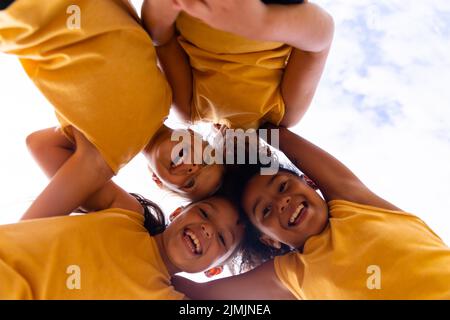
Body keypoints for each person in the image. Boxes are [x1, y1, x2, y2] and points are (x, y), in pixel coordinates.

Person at [0, 0, 223, 221]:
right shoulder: (168, 96)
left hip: (28, 15)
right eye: (205, 159)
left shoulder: (104, 159)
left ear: (157, 179)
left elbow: (38, 144)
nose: (193, 168)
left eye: (190, 184)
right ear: (195, 136)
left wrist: (89, 171)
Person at [172, 126, 450, 299]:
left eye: (283, 186)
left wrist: (235, 131)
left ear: (310, 182)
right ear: (270, 240)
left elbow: (279, 135)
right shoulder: (291, 274)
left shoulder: (355, 203)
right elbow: (203, 298)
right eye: (266, 210)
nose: (282, 202)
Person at [0, 128, 245, 299]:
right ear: (178, 211)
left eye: (223, 239)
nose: (207, 229)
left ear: (214, 271)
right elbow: (44, 145)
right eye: (204, 213)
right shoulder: (125, 212)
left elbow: (277, 287)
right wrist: (144, 133)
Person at [142, 0, 334, 130]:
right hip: (265, 8)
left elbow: (162, 42)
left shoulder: (190, 112)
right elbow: (318, 43)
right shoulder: (282, 117)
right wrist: (263, 22)